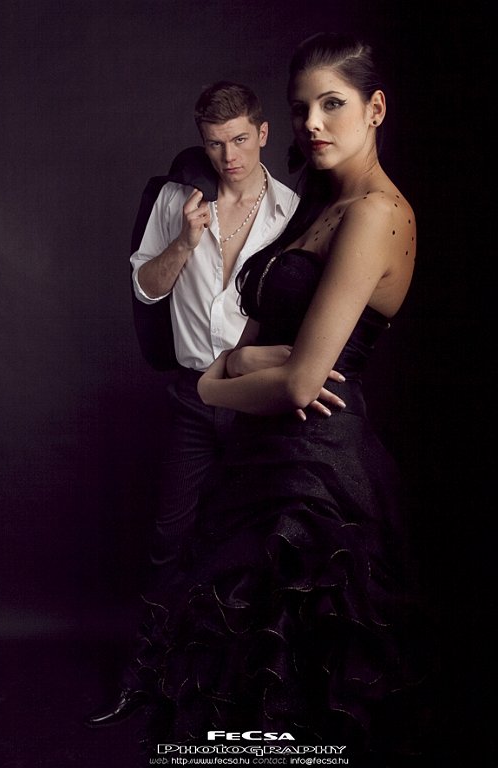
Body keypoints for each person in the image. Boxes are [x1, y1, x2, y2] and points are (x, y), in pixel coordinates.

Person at [136, 32, 429, 763]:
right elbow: (280, 340)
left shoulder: (374, 212)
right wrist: (243, 355)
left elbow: (305, 380)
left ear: (376, 108)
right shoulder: (326, 201)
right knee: (243, 673)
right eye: (303, 109)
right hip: (267, 450)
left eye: (333, 105)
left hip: (317, 465)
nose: (314, 124)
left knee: (298, 684)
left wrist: (215, 378)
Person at [85, 81, 346, 728]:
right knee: (169, 541)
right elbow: (146, 289)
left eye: (239, 140)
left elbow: (303, 313)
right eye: (213, 144)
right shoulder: (177, 199)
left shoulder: (294, 211)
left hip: (261, 398)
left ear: (262, 133)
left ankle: (241, 688)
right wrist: (183, 241)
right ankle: (144, 679)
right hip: (192, 396)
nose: (229, 156)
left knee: (256, 546)